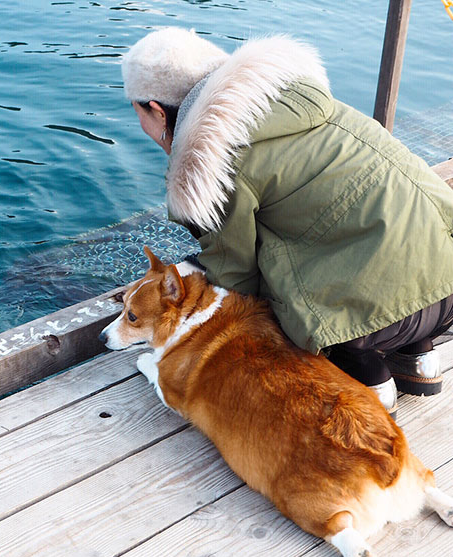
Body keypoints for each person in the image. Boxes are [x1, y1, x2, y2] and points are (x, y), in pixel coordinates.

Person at [121, 27, 453, 416]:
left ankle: (369, 378)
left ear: (157, 111)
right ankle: (418, 359)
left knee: (270, 289)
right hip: (447, 283)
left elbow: (235, 277)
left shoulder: (216, 156)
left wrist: (189, 273)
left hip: (381, 319)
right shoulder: (297, 99)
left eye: (138, 112)